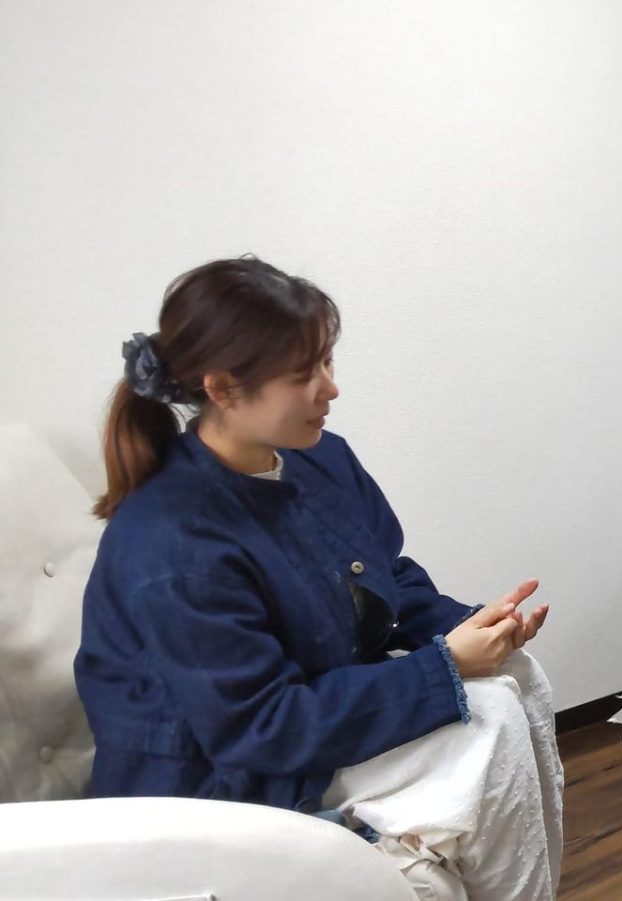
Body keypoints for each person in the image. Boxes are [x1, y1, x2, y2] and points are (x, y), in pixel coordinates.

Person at [76, 257, 564, 901]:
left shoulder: (318, 458)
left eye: (327, 362)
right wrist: (444, 665)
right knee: (492, 713)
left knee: (519, 675)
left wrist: (471, 627)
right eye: (304, 373)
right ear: (223, 388)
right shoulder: (172, 542)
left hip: (305, 712)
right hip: (219, 779)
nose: (330, 389)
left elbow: (386, 574)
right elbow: (260, 726)